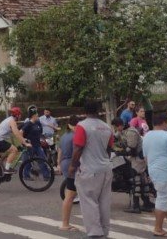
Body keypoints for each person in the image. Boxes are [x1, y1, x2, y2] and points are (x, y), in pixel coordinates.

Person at [69, 101, 114, 238]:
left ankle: (95, 233)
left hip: (89, 170)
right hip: (106, 169)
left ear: (85, 111)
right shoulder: (107, 127)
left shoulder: (81, 126)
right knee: (104, 202)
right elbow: (109, 149)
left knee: (89, 201)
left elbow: (78, 148)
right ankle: (104, 231)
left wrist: (72, 166)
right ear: (99, 110)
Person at [114, 117, 155, 213]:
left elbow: (131, 149)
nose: (116, 129)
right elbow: (114, 138)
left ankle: (136, 206)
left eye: (116, 127)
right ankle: (146, 204)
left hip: (137, 158)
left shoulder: (131, 132)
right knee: (142, 181)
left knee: (136, 181)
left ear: (120, 125)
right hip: (136, 158)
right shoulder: (123, 132)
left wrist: (120, 153)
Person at [0, 107, 29, 174]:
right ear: (17, 115)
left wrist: (23, 139)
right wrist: (24, 142)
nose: (20, 116)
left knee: (0, 158)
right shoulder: (12, 121)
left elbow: (16, 131)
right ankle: (7, 169)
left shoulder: (9, 120)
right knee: (14, 150)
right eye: (20, 115)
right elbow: (16, 133)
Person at [58, 116, 79, 232]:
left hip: (65, 163)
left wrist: (58, 163)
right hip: (73, 165)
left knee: (70, 193)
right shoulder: (75, 136)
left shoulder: (64, 136)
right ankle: (65, 224)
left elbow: (59, 151)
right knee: (70, 195)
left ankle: (65, 223)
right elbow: (78, 151)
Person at [21, 108, 51, 181]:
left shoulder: (38, 123)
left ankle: (46, 176)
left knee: (42, 159)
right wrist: (24, 141)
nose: (38, 115)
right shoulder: (28, 124)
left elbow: (40, 132)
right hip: (30, 146)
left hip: (37, 145)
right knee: (28, 161)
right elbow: (20, 132)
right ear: (33, 115)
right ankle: (26, 175)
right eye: (36, 114)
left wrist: (41, 138)